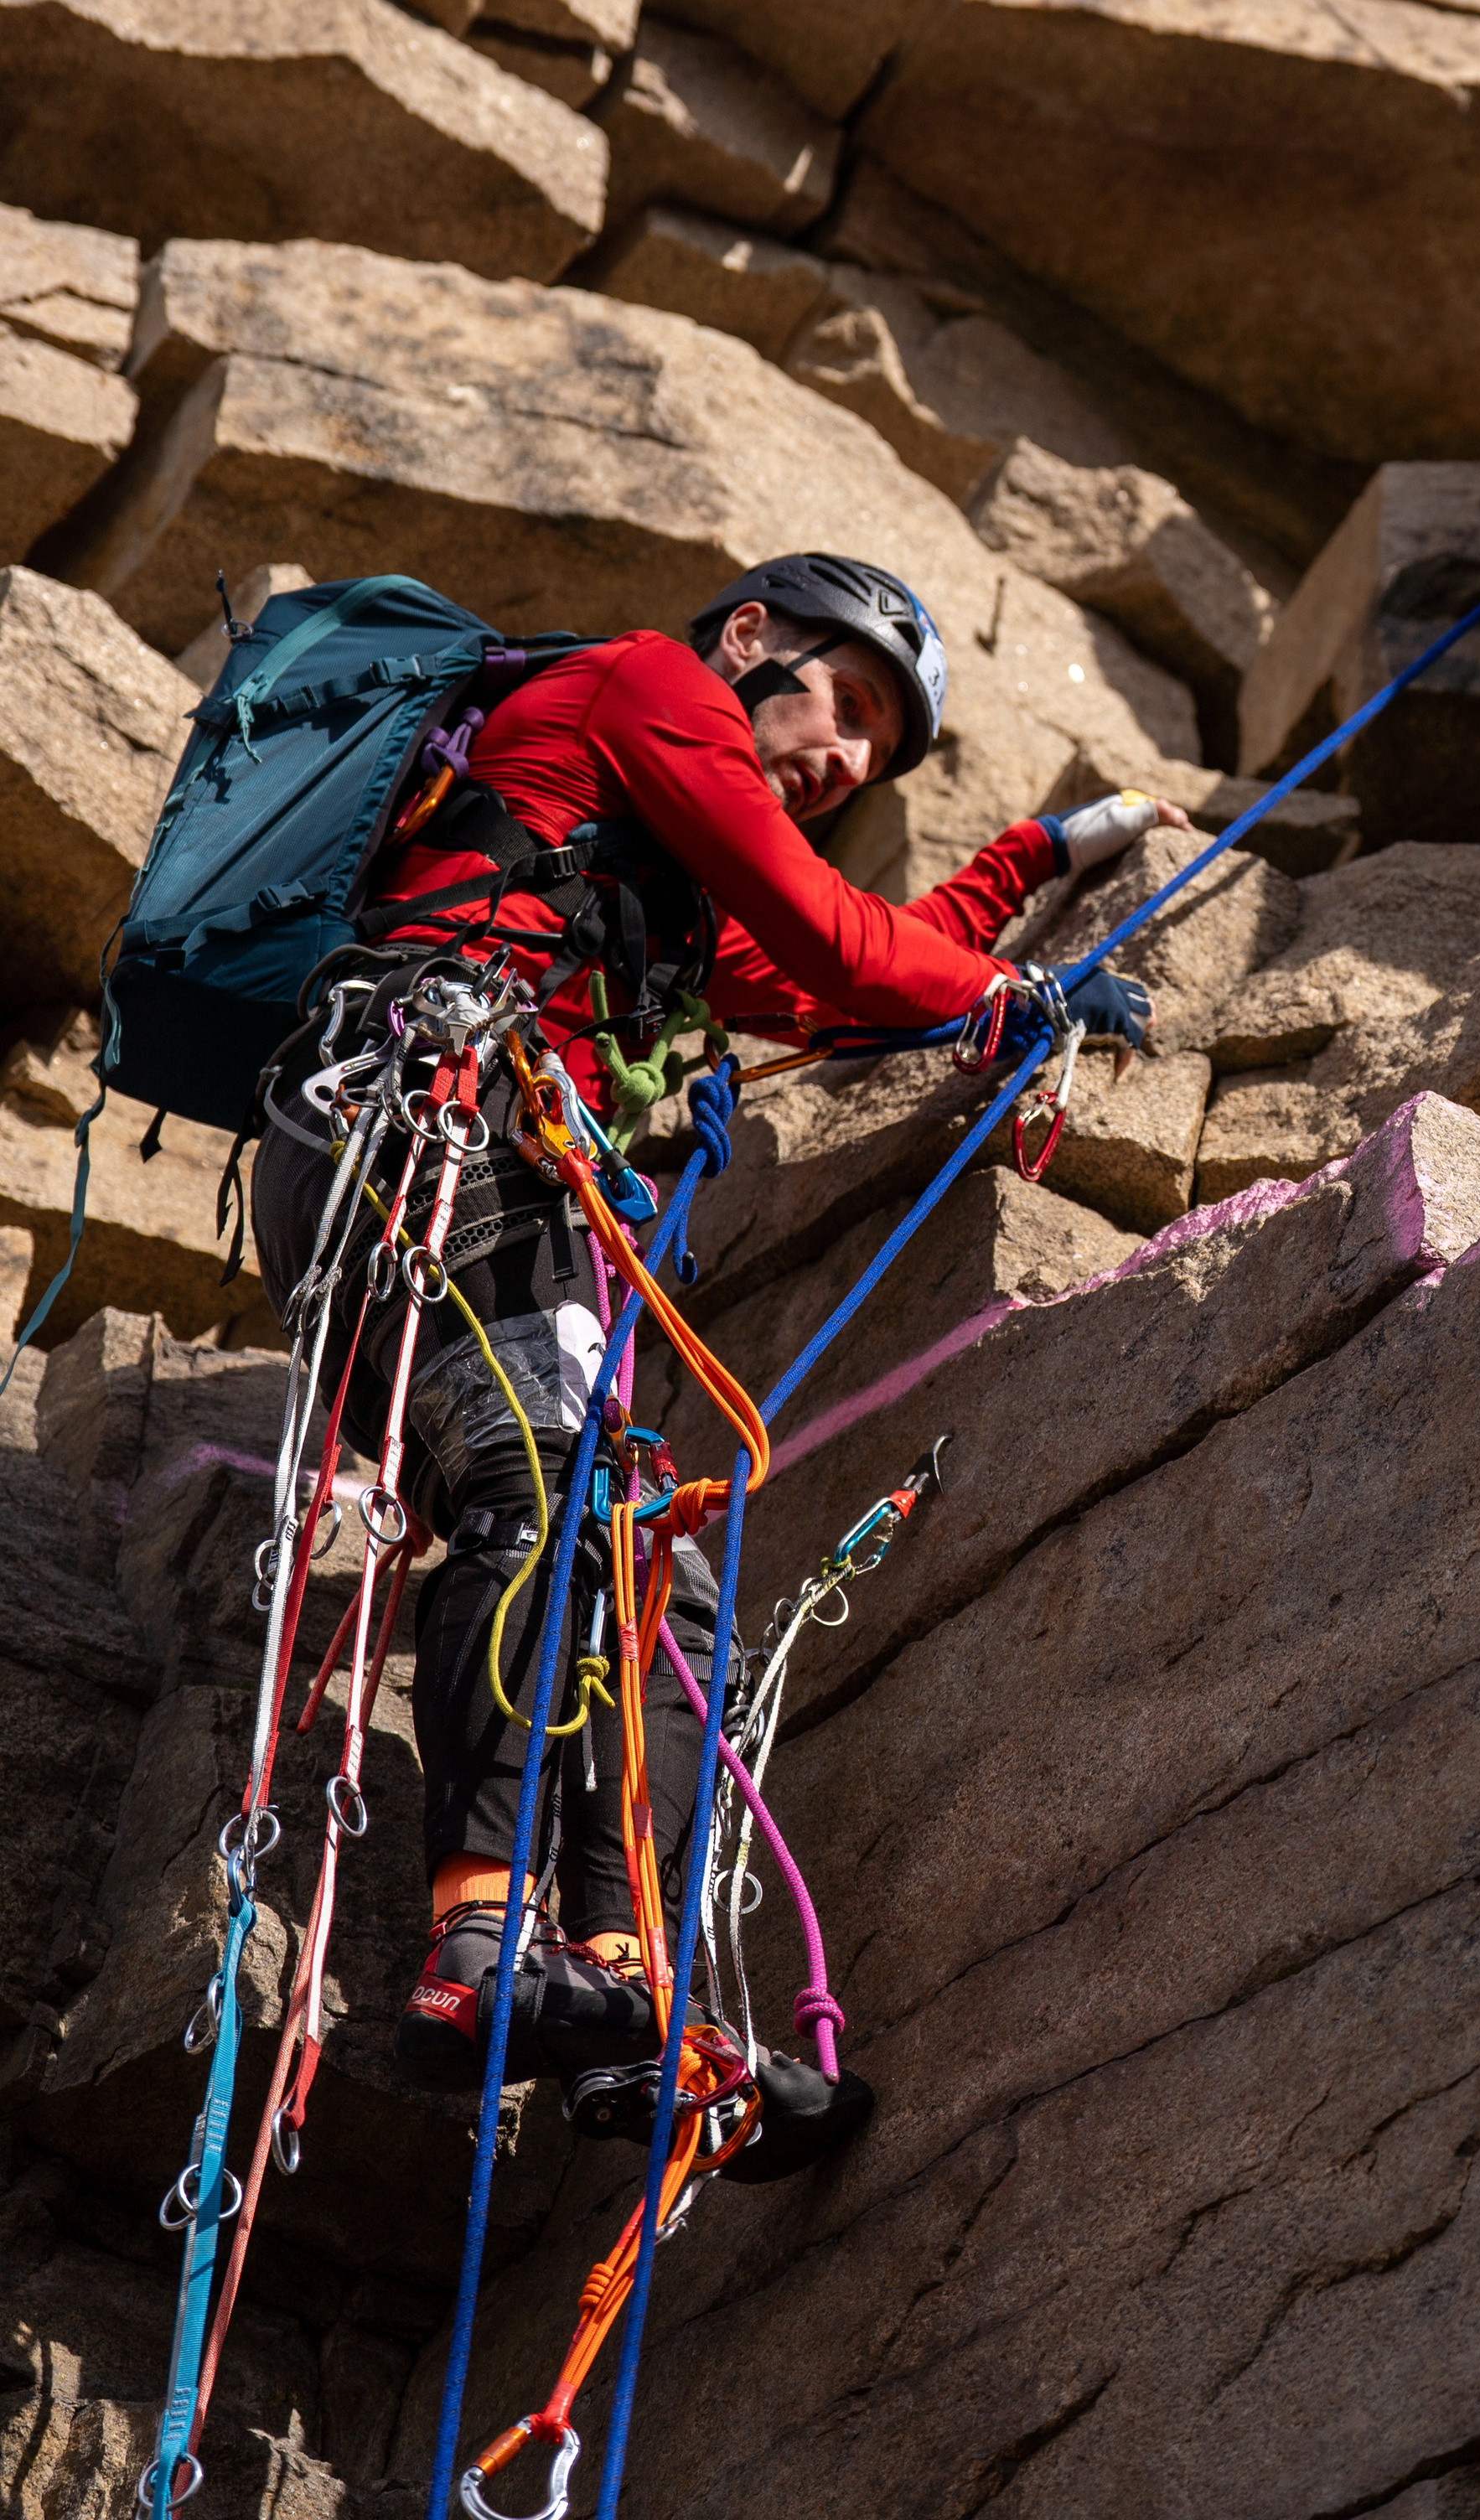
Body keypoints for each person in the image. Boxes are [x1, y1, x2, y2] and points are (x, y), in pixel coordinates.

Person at [249, 551, 1179, 2116]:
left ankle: (627, 1987)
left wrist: (1026, 869)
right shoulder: (646, 684)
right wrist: (1009, 984)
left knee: (663, 1600)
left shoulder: (661, 888)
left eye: (880, 751)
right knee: (538, 1492)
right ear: (749, 638)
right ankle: (476, 1944)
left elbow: (836, 987)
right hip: (429, 1134)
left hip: (503, 1181)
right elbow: (835, 942)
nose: (850, 761)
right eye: (847, 704)